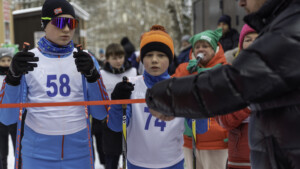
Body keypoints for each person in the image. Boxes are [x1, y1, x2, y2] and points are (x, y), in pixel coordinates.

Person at [145, 0, 300, 168]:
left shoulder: (292, 27)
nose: (241, 3)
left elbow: (233, 84)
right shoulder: (287, 23)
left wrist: (167, 97)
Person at [0, 0, 109, 168]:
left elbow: (101, 113)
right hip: (37, 154)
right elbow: (7, 118)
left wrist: (93, 76)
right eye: (59, 22)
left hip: (79, 153)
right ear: (44, 24)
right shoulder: (28, 59)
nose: (66, 29)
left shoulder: (85, 59)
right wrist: (13, 78)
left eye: (72, 23)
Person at [106, 25, 209, 169]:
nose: (155, 60)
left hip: (172, 163)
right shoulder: (130, 86)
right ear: (142, 59)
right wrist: (118, 101)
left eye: (161, 55)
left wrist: (198, 103)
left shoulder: (180, 87)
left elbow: (200, 129)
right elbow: (116, 126)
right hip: (137, 163)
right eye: (149, 55)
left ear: (170, 58)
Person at [173, 29, 228, 169]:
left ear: (214, 49)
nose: (200, 49)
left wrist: (204, 74)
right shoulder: (184, 68)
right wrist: (187, 73)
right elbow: (173, 91)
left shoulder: (225, 69)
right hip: (189, 136)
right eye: (197, 47)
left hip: (216, 139)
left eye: (205, 46)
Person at [216, 24, 258, 169]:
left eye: (259, 38)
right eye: (248, 39)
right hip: (240, 161)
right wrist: (247, 105)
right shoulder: (231, 76)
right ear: (241, 45)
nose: (253, 43)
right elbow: (224, 120)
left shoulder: (281, 73)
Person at [100, 43, 137, 169]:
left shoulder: (133, 71)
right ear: (107, 59)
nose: (118, 61)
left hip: (130, 118)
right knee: (111, 156)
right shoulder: (102, 74)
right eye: (114, 58)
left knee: (131, 155)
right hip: (110, 120)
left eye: (120, 57)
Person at [0, 48, 17, 169]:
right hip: (0, 118)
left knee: (19, 148)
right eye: (3, 60)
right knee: (2, 150)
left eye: (9, 60)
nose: (6, 63)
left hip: (15, 116)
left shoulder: (17, 75)